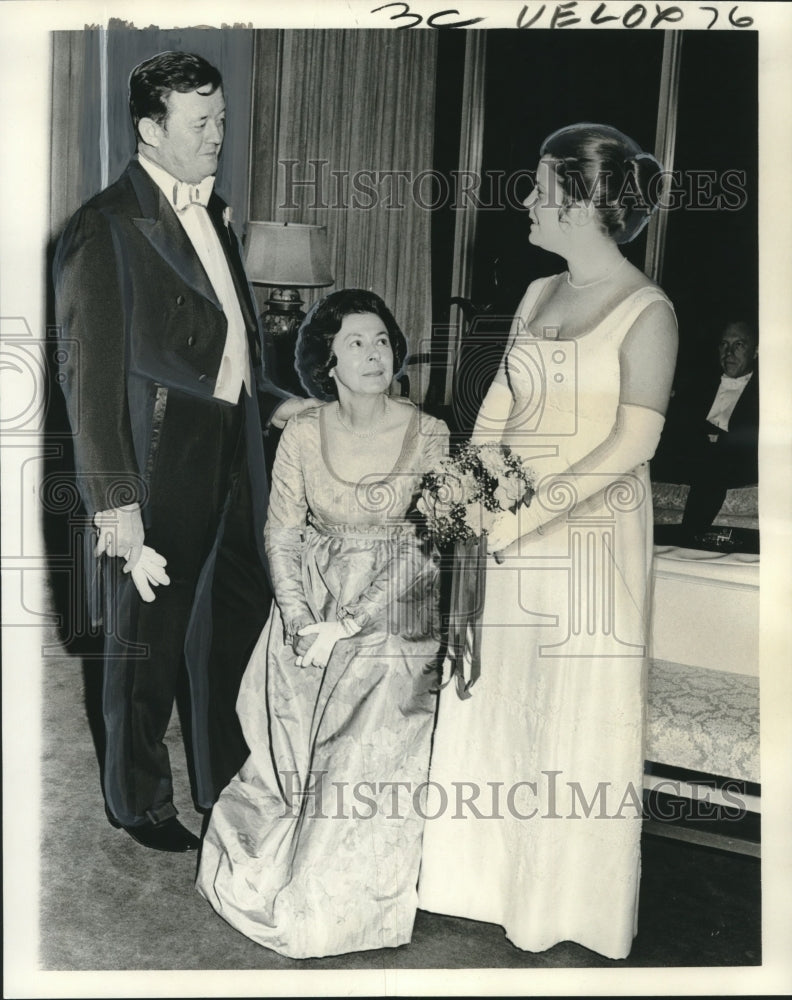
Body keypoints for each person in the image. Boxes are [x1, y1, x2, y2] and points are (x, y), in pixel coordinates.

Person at [418, 123, 678, 960]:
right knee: (499, 697)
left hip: (591, 541)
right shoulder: (535, 294)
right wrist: (477, 478)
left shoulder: (650, 311)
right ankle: (475, 881)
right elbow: (497, 411)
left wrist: (521, 514)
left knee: (573, 713)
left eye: (538, 188)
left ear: (581, 201)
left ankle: (561, 903)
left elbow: (630, 447)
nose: (526, 201)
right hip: (514, 524)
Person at [54, 51, 315, 853]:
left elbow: (235, 350)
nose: (218, 136)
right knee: (145, 642)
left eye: (222, 119)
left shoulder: (216, 214)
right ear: (150, 129)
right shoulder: (103, 226)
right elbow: (87, 379)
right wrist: (117, 503)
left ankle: (222, 782)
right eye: (201, 124)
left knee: (227, 629)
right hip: (158, 458)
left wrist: (283, 404)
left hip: (232, 454)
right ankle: (137, 801)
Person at [196, 289, 449, 958]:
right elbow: (281, 532)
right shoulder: (304, 432)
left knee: (368, 698)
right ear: (326, 361)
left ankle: (344, 895)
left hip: (399, 607)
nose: (373, 355)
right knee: (286, 684)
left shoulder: (430, 433)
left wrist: (352, 624)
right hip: (313, 598)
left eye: (382, 342)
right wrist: (302, 618)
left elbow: (427, 543)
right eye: (357, 344)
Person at [676, 321, 759, 539]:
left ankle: (687, 540)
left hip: (737, 461)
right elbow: (682, 425)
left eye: (739, 345)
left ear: (756, 351)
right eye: (724, 344)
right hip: (694, 454)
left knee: (713, 466)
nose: (729, 352)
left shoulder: (763, 392)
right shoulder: (699, 384)